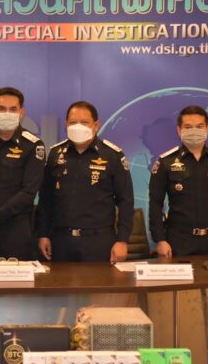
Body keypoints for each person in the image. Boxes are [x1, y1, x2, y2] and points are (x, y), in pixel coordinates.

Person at [36, 101, 134, 262]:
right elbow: (46, 199)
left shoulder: (112, 155)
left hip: (99, 241)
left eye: (84, 122)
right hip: (60, 241)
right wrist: (43, 234)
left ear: (96, 125)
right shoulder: (55, 153)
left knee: (99, 280)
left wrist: (122, 240)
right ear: (66, 124)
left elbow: (126, 201)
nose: (78, 126)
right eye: (73, 122)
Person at [148, 105, 208, 257]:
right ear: (179, 130)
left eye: (199, 126)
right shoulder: (166, 162)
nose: (194, 131)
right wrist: (160, 240)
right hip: (177, 243)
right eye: (188, 127)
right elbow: (155, 204)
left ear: (207, 128)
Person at [0, 87, 45, 262]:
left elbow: (28, 193)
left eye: (13, 109)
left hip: (15, 230)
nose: (7, 113)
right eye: (2, 109)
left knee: (14, 279)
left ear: (21, 113)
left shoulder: (33, 145)